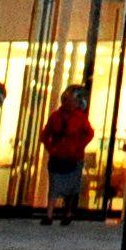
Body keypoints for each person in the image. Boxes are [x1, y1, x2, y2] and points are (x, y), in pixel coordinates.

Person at [34, 85, 93, 226]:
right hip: (58, 156)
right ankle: (49, 214)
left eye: (73, 100)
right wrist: (51, 148)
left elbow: (89, 133)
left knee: (72, 188)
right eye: (68, 100)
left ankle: (67, 213)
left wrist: (79, 146)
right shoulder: (56, 117)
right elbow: (45, 134)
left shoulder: (80, 118)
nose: (71, 103)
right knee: (55, 186)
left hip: (74, 157)